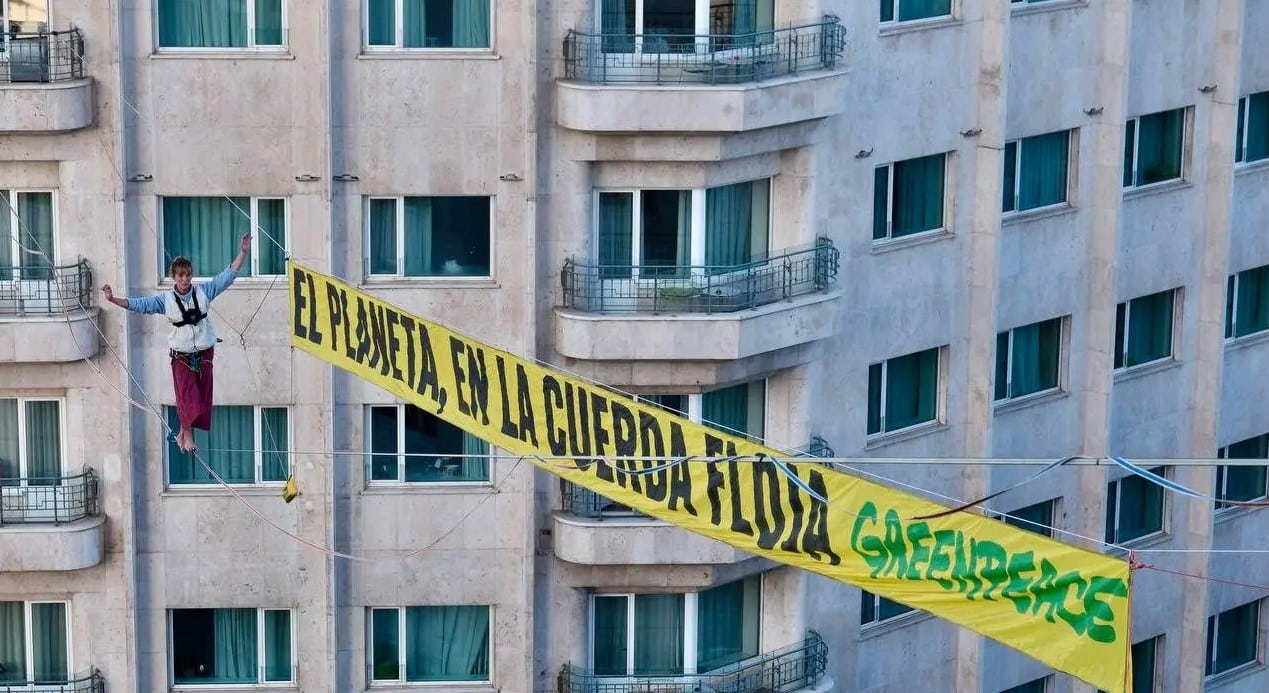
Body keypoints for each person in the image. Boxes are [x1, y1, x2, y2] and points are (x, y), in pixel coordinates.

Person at [102, 233, 251, 453]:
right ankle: (187, 436)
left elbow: (227, 277)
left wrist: (243, 252)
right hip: (181, 353)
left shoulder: (203, 292)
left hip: (204, 351)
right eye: (180, 275)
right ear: (174, 277)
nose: (184, 279)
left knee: (202, 398)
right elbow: (140, 305)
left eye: (188, 275)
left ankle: (183, 431)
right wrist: (113, 299)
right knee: (187, 394)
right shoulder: (166, 300)